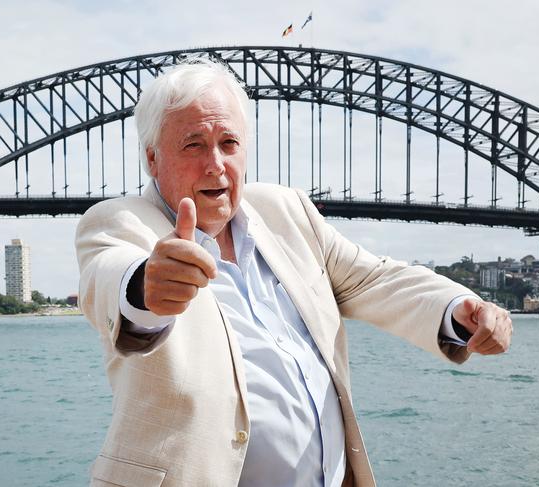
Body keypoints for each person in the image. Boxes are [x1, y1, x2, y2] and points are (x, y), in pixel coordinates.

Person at [75, 59, 512, 487]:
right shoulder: (121, 223)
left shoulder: (286, 210)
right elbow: (107, 279)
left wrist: (458, 308)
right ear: (152, 159)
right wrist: (147, 290)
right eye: (193, 145)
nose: (215, 164)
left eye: (229, 143)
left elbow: (372, 279)